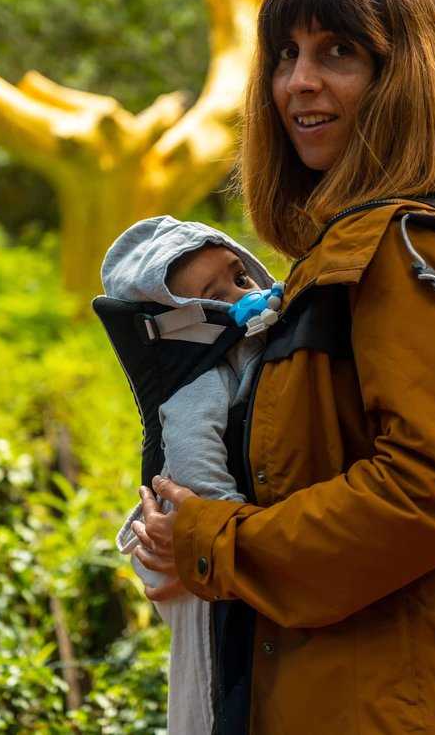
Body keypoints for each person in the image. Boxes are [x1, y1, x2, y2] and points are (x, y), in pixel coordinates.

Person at [131, 0, 435, 735]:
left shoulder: (396, 258)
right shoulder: (336, 261)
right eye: (286, 55)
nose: (299, 82)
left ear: (408, 77)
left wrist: (216, 542)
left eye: (340, 52)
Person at [100, 216, 277, 735]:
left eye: (240, 276)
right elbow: (192, 454)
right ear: (181, 323)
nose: (241, 294)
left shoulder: (264, 343)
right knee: (212, 691)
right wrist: (221, 517)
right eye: (212, 296)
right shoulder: (203, 383)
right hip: (206, 557)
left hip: (236, 558)